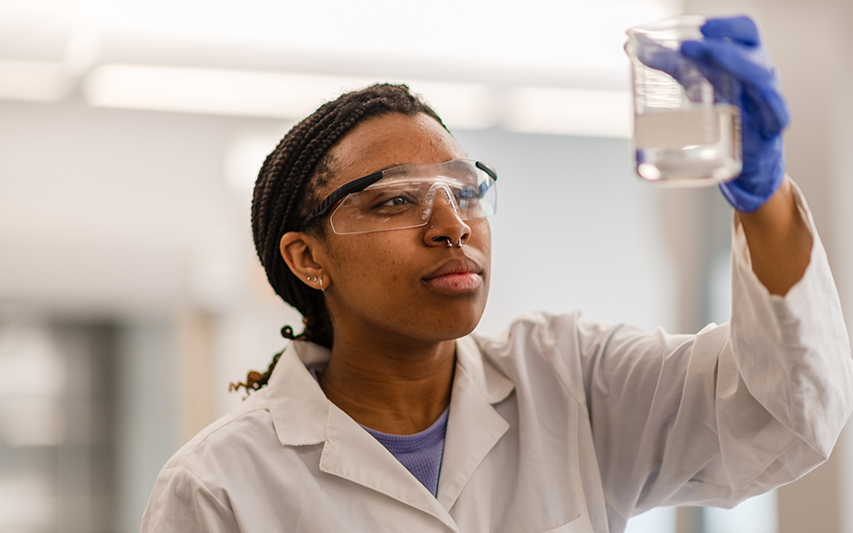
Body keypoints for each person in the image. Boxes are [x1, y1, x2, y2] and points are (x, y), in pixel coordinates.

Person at [141, 16, 852, 533]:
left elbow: (783, 414)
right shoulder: (219, 487)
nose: (451, 225)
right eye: (396, 199)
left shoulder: (570, 380)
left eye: (465, 191)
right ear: (307, 257)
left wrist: (765, 201)